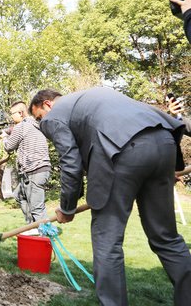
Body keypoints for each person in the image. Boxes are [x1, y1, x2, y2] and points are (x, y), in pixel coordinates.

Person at [29, 87, 191, 306]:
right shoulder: (98, 95)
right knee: (166, 238)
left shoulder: (54, 116)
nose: (42, 123)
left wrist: (67, 208)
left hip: (120, 152)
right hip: (163, 143)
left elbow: (71, 163)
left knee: (107, 241)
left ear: (47, 104)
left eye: (39, 116)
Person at [2, 101, 51, 230]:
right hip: (40, 170)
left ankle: (47, 238)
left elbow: (8, 147)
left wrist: (4, 137)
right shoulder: (36, 124)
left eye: (12, 114)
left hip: (34, 170)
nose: (11, 117)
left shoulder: (21, 127)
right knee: (19, 195)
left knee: (37, 208)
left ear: (20, 113)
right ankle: (32, 228)